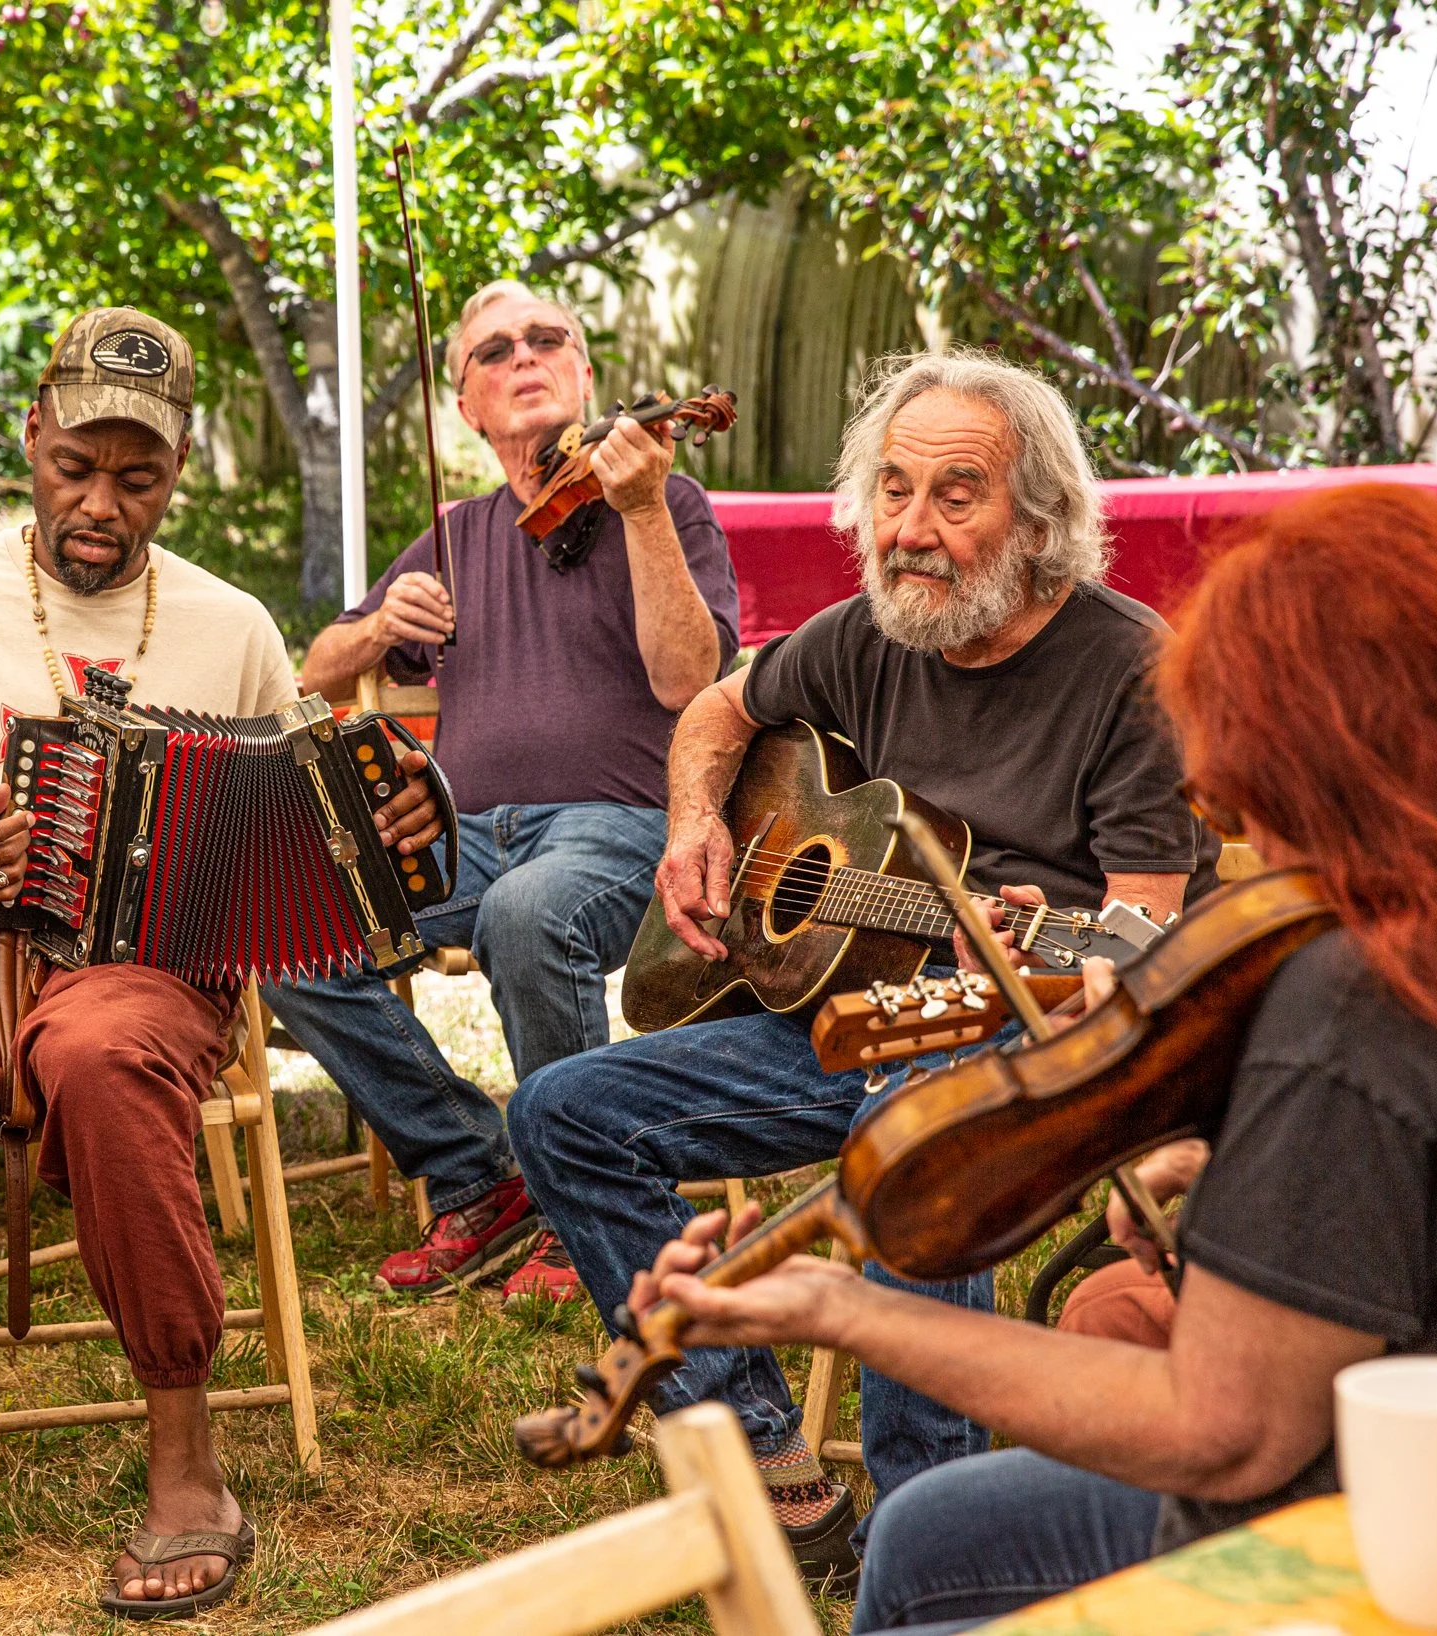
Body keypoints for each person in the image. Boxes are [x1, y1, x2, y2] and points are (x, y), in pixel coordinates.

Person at [628, 483, 1437, 1630]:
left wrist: (843, 1307)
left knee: (928, 1546)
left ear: (1321, 758)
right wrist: (1226, 1166)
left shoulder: (1352, 1002)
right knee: (935, 1528)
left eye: (1241, 779)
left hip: (1388, 1535)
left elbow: (1223, 1429)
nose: (1226, 811)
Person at [0, 306, 443, 1620]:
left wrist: (403, 802)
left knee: (99, 1051)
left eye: (138, 478)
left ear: (176, 475)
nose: (100, 504)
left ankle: (187, 1466)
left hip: (155, 969)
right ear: (32, 438)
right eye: (77, 466)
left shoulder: (232, 624)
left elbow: (317, 824)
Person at [508, 350, 1220, 1579]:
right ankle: (772, 1471)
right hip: (847, 1015)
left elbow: (1135, 944)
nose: (910, 529)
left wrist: (1035, 967)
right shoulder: (869, 637)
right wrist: (696, 823)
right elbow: (718, 711)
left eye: (956, 495)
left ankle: (927, 1530)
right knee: (562, 1113)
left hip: (1034, 1033)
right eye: (891, 492)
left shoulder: (1129, 670)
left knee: (910, 1129)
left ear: (1037, 519)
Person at [279, 279, 739, 1302]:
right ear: (466, 405)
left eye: (547, 338)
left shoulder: (663, 502)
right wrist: (376, 624)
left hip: (619, 827)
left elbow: (687, 680)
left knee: (530, 912)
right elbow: (313, 669)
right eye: (494, 350)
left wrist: (641, 511)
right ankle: (475, 1175)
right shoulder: (458, 535)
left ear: (582, 370)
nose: (523, 356)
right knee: (290, 924)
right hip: (463, 830)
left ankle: (588, 1200)